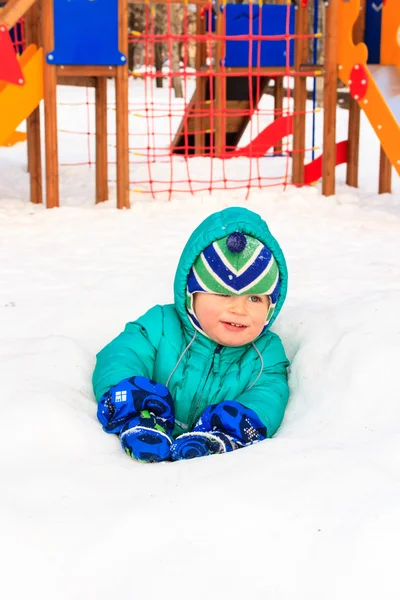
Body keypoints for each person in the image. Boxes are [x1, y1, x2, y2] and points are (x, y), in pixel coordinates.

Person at [93, 206, 290, 463]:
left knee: (241, 420)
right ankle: (142, 424)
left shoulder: (266, 352)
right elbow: (122, 353)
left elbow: (269, 393)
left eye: (254, 298)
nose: (239, 309)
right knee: (128, 393)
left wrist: (243, 417)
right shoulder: (161, 324)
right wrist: (134, 392)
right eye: (223, 294)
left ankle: (217, 438)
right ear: (191, 296)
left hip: (207, 479)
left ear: (271, 307)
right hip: (146, 420)